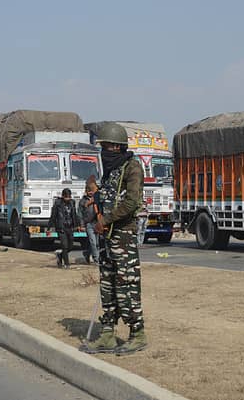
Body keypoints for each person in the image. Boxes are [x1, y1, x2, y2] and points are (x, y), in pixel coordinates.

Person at [81, 122, 147, 356]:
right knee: (107, 286)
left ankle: (137, 333)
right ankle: (108, 334)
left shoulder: (132, 168)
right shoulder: (111, 172)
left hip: (123, 237)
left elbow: (131, 202)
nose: (104, 152)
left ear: (117, 147)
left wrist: (106, 220)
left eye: (106, 147)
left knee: (126, 285)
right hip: (107, 237)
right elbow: (106, 198)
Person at [49, 188, 78, 269]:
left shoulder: (72, 203)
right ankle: (66, 264)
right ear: (62, 196)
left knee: (70, 246)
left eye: (69, 197)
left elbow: (74, 215)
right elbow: (53, 216)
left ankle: (60, 255)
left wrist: (77, 225)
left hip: (70, 227)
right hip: (61, 227)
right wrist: (49, 227)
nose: (67, 199)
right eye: (66, 197)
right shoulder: (58, 203)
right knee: (64, 245)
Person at [79, 180, 100, 264]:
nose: (91, 193)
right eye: (89, 191)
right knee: (93, 242)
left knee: (97, 243)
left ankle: (87, 253)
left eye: (92, 191)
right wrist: (81, 225)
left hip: (97, 223)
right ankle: (96, 259)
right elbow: (80, 214)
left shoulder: (98, 198)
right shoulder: (83, 201)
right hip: (89, 224)